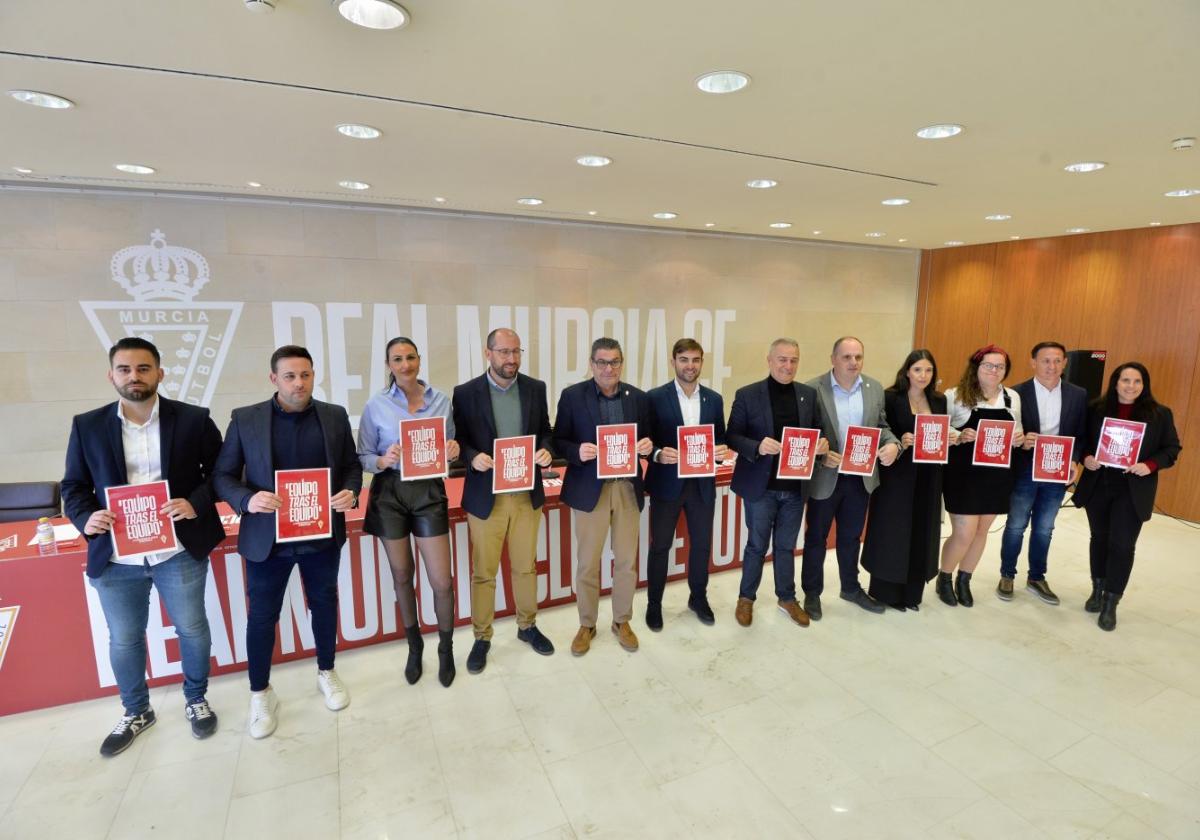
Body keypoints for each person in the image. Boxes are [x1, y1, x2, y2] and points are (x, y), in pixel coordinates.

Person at [62, 337, 226, 757]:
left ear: (159, 373)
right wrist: (86, 519)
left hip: (177, 550)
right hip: (117, 557)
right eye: (124, 369)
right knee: (125, 639)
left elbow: (222, 471)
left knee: (191, 628)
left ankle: (196, 698)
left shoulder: (193, 419)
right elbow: (74, 487)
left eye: (143, 368)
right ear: (111, 374)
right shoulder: (88, 425)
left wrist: (196, 502)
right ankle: (137, 711)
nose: (134, 376)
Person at [214, 345, 362, 738]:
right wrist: (247, 499)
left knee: (325, 603)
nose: (299, 383)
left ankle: (327, 672)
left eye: (306, 375)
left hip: (320, 533)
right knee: (262, 617)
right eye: (290, 376)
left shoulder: (333, 416)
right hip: (268, 539)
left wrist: (350, 492)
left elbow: (350, 467)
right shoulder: (246, 419)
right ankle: (260, 692)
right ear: (274, 379)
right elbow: (223, 476)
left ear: (314, 375)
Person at [358, 337, 462, 686]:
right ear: (389, 365)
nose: (405, 365)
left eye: (411, 357)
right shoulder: (376, 405)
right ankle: (414, 646)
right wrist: (382, 460)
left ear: (420, 359)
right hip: (390, 493)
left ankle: (445, 649)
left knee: (441, 581)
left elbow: (451, 448)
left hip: (429, 491)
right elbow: (364, 456)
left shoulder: (441, 400)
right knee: (402, 574)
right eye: (397, 359)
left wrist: (452, 449)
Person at [452, 328, 555, 674]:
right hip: (486, 497)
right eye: (503, 352)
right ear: (488, 353)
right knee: (484, 572)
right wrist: (471, 457)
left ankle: (527, 626)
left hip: (526, 494)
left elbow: (547, 430)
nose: (511, 359)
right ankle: (482, 636)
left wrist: (547, 450)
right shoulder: (465, 394)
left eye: (516, 352)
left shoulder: (535, 388)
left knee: (526, 566)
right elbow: (458, 440)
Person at [553, 337, 654, 656]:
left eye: (614, 362)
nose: (608, 368)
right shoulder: (572, 396)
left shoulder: (638, 398)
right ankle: (587, 623)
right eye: (601, 362)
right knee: (587, 562)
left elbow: (651, 438)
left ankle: (622, 620)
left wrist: (648, 447)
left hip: (626, 487)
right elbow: (558, 441)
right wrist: (576, 451)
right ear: (591, 363)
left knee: (626, 561)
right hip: (589, 489)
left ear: (621, 364)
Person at [726, 338, 828, 627]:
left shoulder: (808, 394)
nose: (788, 365)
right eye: (782, 359)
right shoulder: (748, 395)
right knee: (756, 546)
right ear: (769, 360)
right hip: (761, 488)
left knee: (785, 546)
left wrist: (822, 444)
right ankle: (746, 599)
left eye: (794, 360)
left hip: (794, 488)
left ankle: (787, 598)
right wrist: (757, 446)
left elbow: (819, 432)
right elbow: (732, 435)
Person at [1074, 362, 1181, 631]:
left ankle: (1111, 602)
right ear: (1115, 382)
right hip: (1099, 483)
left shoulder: (1160, 414)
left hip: (1132, 488)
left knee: (1122, 544)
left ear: (1144, 385)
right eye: (1125, 380)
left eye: (1137, 381)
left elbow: (1171, 448)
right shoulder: (1096, 409)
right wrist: (1086, 458)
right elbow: (1082, 440)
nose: (1130, 386)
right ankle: (1097, 590)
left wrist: (1150, 465)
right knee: (1099, 538)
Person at [802, 337, 901, 619]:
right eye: (846, 357)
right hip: (826, 477)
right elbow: (806, 433)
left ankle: (850, 587)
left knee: (851, 536)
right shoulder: (812, 388)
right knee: (816, 538)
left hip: (860, 477)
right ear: (833, 359)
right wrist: (821, 451)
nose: (853, 363)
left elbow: (881, 426)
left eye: (858, 357)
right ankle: (811, 592)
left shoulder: (873, 388)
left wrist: (894, 444)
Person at [644, 338, 729, 629]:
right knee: (660, 547)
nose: (689, 366)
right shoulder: (654, 397)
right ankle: (653, 604)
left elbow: (721, 439)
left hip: (702, 485)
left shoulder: (714, 399)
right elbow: (645, 442)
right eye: (684, 359)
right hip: (667, 484)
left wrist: (720, 451)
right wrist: (657, 453)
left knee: (702, 544)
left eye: (695, 360)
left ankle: (698, 597)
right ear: (673, 362)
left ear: (701, 363)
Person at [862, 350, 954, 611]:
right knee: (892, 531)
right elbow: (881, 430)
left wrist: (950, 438)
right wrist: (899, 442)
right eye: (917, 370)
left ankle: (912, 594)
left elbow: (941, 432)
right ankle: (886, 593)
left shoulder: (939, 400)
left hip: (929, 475)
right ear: (906, 371)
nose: (923, 376)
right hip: (897, 477)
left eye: (928, 371)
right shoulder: (891, 398)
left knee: (922, 530)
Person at [998, 341, 1089, 605]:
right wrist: (1022, 439)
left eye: (1057, 360)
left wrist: (1074, 459)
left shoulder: (1078, 394)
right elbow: (1007, 434)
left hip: (1057, 471)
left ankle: (1037, 577)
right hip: (1025, 468)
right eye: (1046, 360)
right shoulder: (1015, 394)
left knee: (1045, 528)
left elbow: (1081, 433)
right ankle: (1007, 574)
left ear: (1065, 363)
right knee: (1016, 525)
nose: (1051, 366)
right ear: (1033, 362)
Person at [938, 345, 1024, 607]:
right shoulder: (955, 395)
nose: (994, 371)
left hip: (997, 474)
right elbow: (939, 430)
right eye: (988, 365)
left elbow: (1017, 431)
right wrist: (958, 434)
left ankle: (965, 579)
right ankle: (944, 578)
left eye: (1000, 366)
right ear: (976, 367)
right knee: (964, 532)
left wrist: (1019, 438)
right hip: (963, 474)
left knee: (981, 531)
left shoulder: (1012, 397)